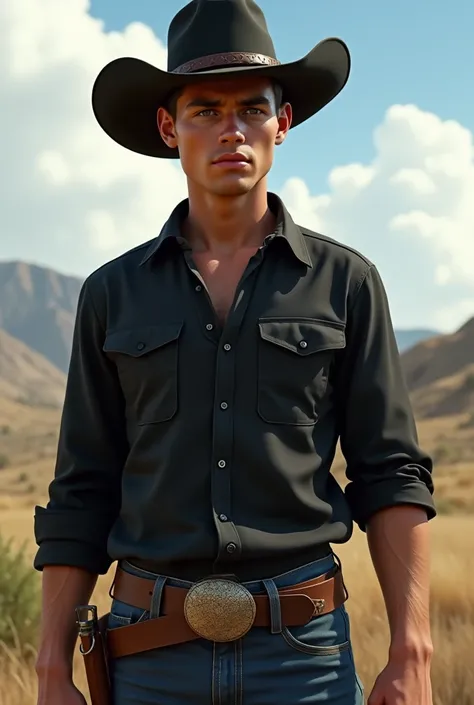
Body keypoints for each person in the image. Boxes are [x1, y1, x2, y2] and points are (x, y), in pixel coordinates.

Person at [33, 1, 436, 704]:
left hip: (303, 657)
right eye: (205, 111)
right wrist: (48, 668)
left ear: (283, 123)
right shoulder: (111, 294)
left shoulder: (348, 284)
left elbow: (391, 473)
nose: (232, 130)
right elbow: (82, 492)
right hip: (147, 657)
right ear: (169, 127)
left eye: (252, 108)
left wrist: (413, 649)